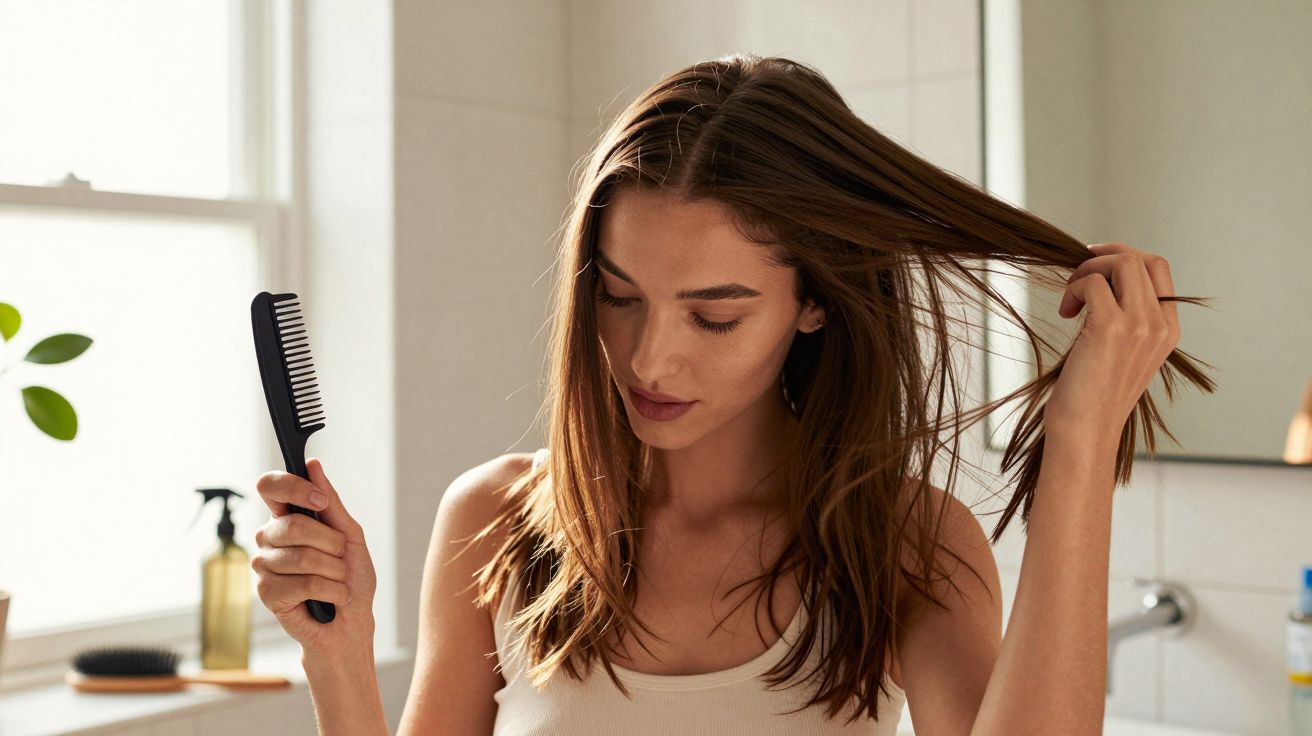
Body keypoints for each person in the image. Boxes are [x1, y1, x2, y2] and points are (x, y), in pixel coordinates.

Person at [250, 53, 1212, 735]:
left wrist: (1080, 445)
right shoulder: (498, 523)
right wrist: (340, 657)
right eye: (620, 298)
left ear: (814, 305)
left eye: (715, 316)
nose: (649, 360)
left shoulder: (906, 547)